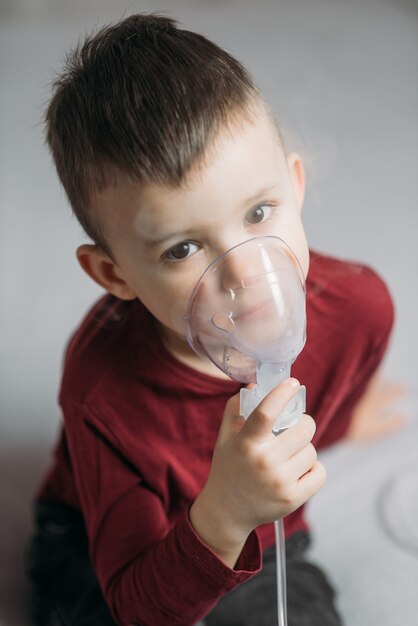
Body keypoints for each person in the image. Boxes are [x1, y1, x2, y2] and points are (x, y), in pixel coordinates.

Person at [25, 13, 398, 626]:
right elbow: (136, 606)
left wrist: (342, 419)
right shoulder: (103, 392)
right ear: (114, 275)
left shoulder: (359, 310)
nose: (244, 274)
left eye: (259, 212)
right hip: (105, 553)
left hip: (262, 537)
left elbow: (328, 401)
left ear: (295, 185)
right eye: (181, 249)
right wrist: (223, 513)